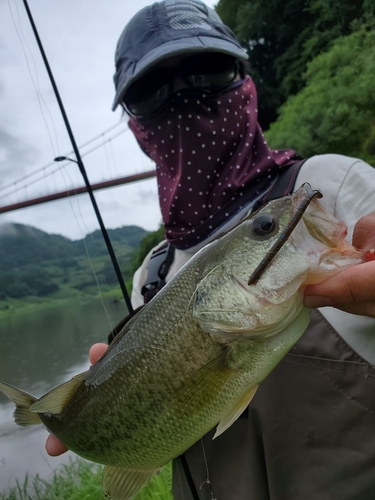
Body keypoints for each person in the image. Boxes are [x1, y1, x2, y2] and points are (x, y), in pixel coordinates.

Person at [46, 1, 375, 498]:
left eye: (209, 70)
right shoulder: (151, 276)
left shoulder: (329, 186)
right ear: (136, 125)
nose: (185, 97)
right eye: (153, 92)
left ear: (244, 78)